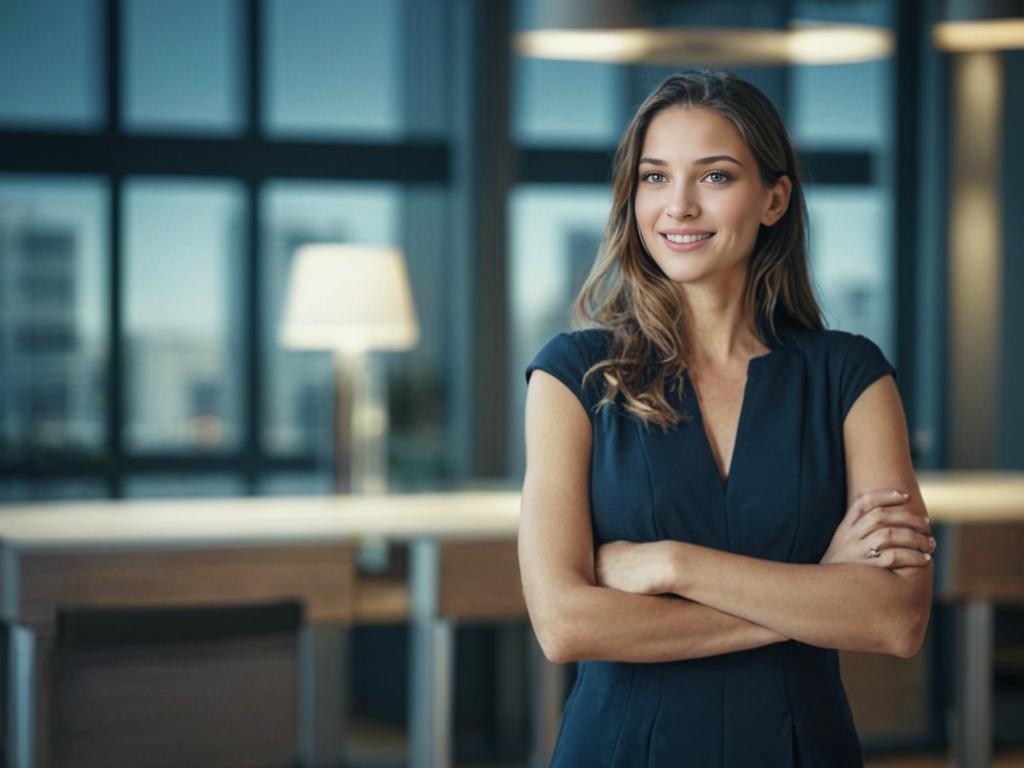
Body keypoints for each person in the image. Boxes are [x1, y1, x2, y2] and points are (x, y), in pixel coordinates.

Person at [518, 69, 934, 767]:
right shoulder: (574, 377)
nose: (678, 206)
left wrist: (672, 565)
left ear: (774, 199)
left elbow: (895, 618)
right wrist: (815, 594)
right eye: (655, 178)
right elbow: (564, 625)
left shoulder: (850, 376)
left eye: (713, 178)